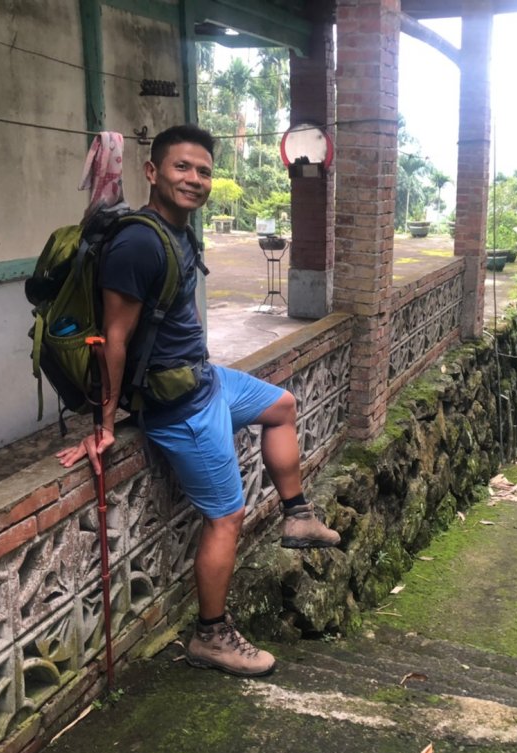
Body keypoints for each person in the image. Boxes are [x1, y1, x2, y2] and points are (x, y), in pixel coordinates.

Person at [57, 124, 339, 678]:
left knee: (281, 404)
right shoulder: (140, 243)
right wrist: (106, 422)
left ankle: (297, 516)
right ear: (152, 171)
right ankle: (211, 635)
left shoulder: (180, 232)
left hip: (204, 381)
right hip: (178, 407)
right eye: (182, 167)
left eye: (204, 171)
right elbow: (113, 339)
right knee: (226, 516)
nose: (194, 179)